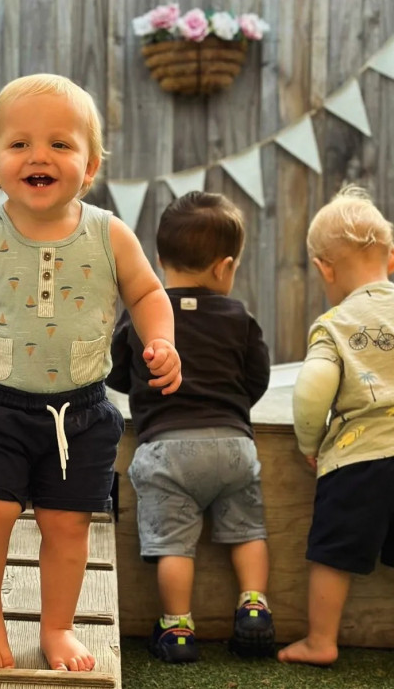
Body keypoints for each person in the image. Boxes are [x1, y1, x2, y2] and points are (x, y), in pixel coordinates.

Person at [0, 74, 182, 673]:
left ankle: (58, 627)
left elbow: (148, 293)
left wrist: (162, 339)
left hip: (83, 414)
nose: (39, 156)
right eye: (20, 145)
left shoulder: (109, 233)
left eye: (61, 144)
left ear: (89, 168)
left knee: (68, 529)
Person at [278, 185, 394, 667]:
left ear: (324, 269)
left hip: (357, 463)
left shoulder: (334, 322)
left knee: (333, 553)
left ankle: (321, 641)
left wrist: (309, 440)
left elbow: (313, 386)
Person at [107, 191, 275, 663]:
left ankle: (178, 629)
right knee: (247, 531)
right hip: (233, 446)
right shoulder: (239, 318)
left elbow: (117, 372)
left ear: (159, 261)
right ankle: (255, 605)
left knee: (174, 545)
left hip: (167, 449)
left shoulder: (143, 317)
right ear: (225, 267)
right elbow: (256, 379)